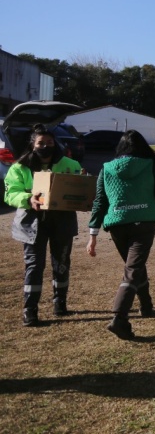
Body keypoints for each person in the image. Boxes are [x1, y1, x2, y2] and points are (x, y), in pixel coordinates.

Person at [86, 130, 155, 340]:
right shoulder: (149, 165)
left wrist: (93, 233)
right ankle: (120, 317)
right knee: (133, 268)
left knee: (133, 266)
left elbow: (100, 201)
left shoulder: (106, 168)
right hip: (143, 223)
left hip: (117, 225)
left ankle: (146, 304)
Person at [4, 124, 84, 326]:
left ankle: (60, 303)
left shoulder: (70, 164)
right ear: (33, 145)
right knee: (34, 266)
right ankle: (30, 310)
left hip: (62, 222)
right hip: (32, 224)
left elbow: (80, 189)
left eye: (49, 142)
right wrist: (28, 198)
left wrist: (83, 187)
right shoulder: (19, 168)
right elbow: (10, 193)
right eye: (41, 143)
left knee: (62, 263)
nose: (46, 146)